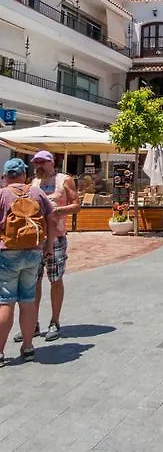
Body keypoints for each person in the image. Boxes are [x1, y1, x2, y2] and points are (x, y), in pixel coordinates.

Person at [13, 151, 80, 343]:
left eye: (42, 163)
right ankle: (32, 324)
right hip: (34, 240)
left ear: (52, 163)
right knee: (33, 282)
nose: (38, 166)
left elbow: (76, 205)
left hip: (57, 238)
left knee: (55, 279)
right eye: (36, 163)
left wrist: (57, 210)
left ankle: (55, 321)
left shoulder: (64, 180)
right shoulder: (33, 183)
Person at [0, 158, 56, 366]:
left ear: (6, 176)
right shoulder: (36, 192)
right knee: (28, 300)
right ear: (23, 174)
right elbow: (51, 218)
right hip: (33, 251)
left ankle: (0, 351)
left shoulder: (2, 194)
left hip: (8, 253)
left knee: (5, 302)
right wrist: (49, 246)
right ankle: (28, 347)